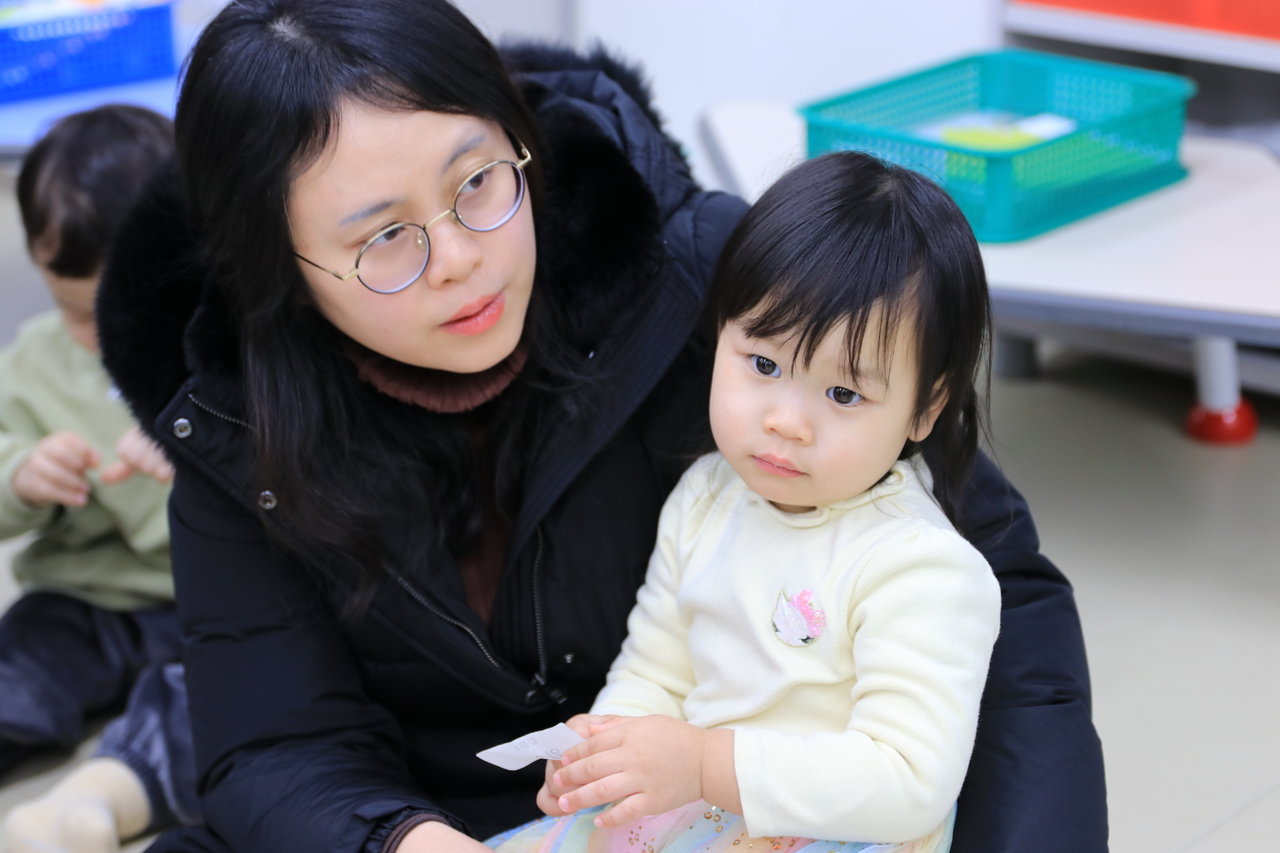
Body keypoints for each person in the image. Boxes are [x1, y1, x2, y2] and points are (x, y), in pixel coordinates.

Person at [93, 1, 1107, 851]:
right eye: (386, 237)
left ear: (520, 139)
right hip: (460, 814)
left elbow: (1003, 597)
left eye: (478, 182)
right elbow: (277, 743)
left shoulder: (713, 286)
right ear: (281, 266)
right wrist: (404, 839)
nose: (459, 257)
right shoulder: (229, 422)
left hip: (754, 797)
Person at [486, 151, 1001, 853]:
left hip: (836, 832)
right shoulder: (706, 497)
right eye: (763, 364)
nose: (786, 421)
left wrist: (705, 763)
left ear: (924, 409)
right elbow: (657, 669)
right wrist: (606, 753)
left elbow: (909, 780)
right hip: (690, 809)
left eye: (843, 393)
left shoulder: (921, 566)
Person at [0, 105, 200, 850]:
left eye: (120, 315)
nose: (102, 340)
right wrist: (21, 475)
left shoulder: (219, 351)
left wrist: (197, 453)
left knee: (228, 698)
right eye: (79, 317)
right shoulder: (30, 364)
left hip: (207, 603)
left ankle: (104, 797)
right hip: (82, 598)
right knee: (22, 659)